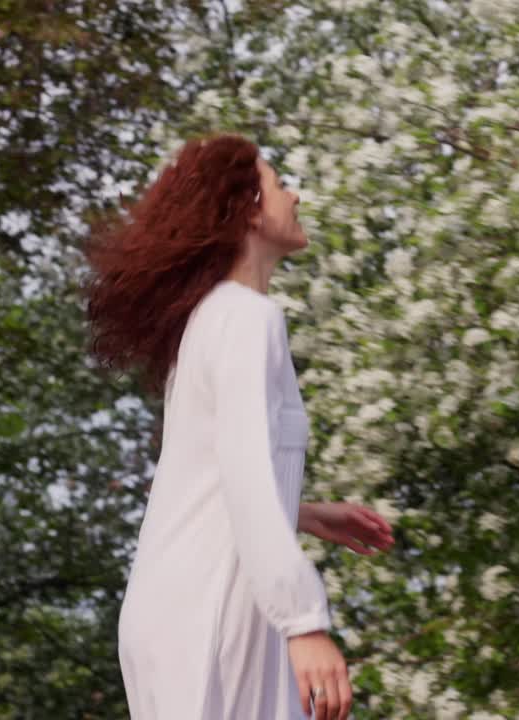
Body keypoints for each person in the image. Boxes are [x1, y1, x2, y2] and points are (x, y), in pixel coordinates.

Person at [83, 133, 395, 720]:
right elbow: (246, 474)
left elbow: (209, 470)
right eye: (280, 185)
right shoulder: (248, 319)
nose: (295, 196)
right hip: (211, 613)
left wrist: (299, 511)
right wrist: (304, 621)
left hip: (182, 610)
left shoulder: (212, 320)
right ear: (248, 208)